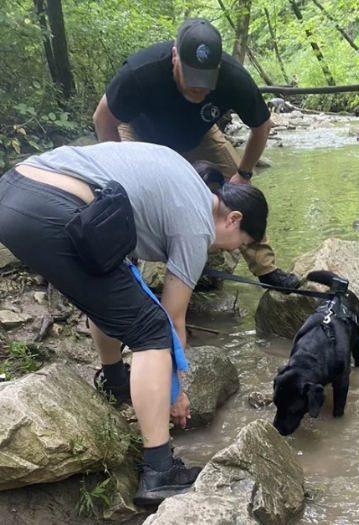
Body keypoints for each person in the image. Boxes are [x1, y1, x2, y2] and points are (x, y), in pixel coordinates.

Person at [0, 141, 268, 506]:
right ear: (233, 219)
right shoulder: (197, 225)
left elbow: (121, 278)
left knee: (115, 297)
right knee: (151, 330)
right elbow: (171, 318)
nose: (230, 250)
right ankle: (159, 471)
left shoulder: (183, 181)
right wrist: (176, 391)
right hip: (54, 208)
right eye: (240, 243)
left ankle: (115, 383)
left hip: (14, 191)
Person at [92, 18, 298, 289]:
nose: (199, 87)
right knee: (127, 197)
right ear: (174, 57)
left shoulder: (234, 79)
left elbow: (261, 126)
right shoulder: (141, 71)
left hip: (199, 134)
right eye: (191, 78)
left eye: (206, 80)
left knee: (240, 198)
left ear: (218, 68)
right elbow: (103, 118)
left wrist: (244, 174)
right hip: (140, 134)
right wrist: (120, 171)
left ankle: (266, 268)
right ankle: (125, 266)